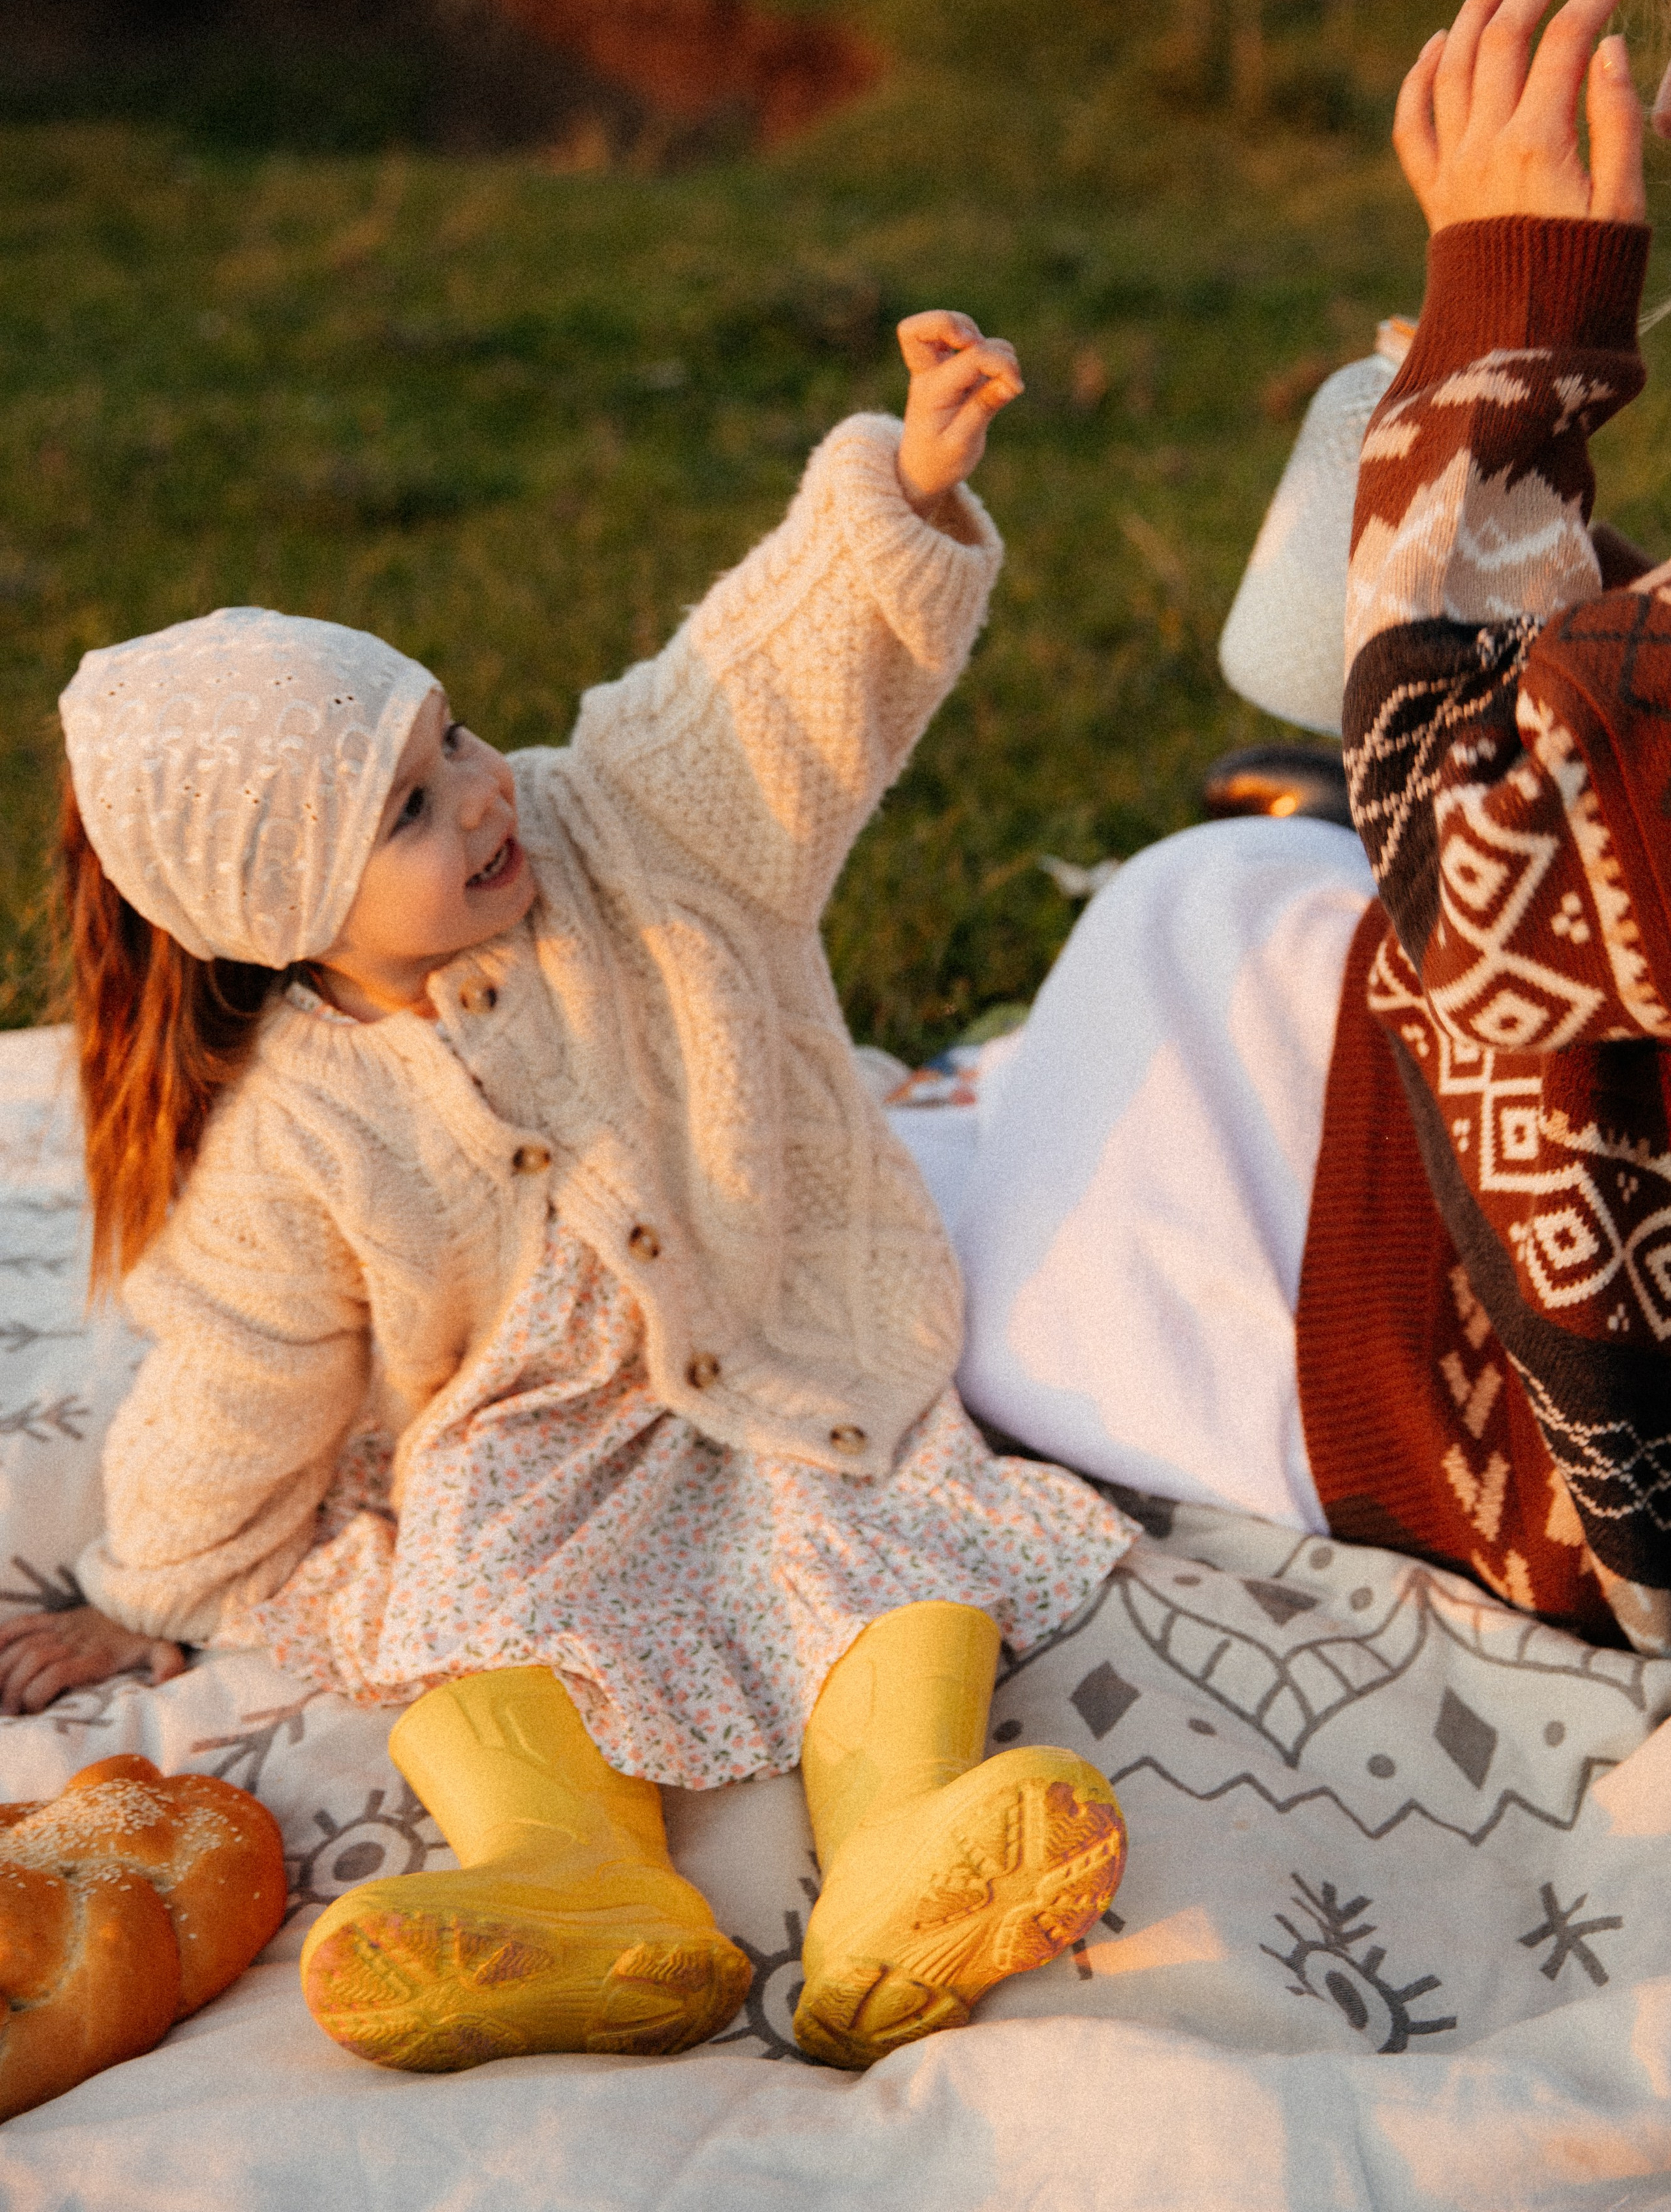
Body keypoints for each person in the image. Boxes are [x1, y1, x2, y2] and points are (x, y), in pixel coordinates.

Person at [0, 315, 1135, 2075]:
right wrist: (145, 1584)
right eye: (404, 809)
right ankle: (569, 1879)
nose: (477, 796)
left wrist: (899, 492)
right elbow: (243, 1378)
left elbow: (764, 692)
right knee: (469, 1590)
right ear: (283, 912)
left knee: (874, 1528)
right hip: (520, 1431)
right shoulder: (293, 1126)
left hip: (773, 1335)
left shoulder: (631, 831)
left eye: (452, 736)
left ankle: (909, 1847)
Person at [958, 0, 1671, 1659]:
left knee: (1185, 936)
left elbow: (1484, 856)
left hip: (1588, 1471)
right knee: (1233, 907)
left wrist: (1499, 341)